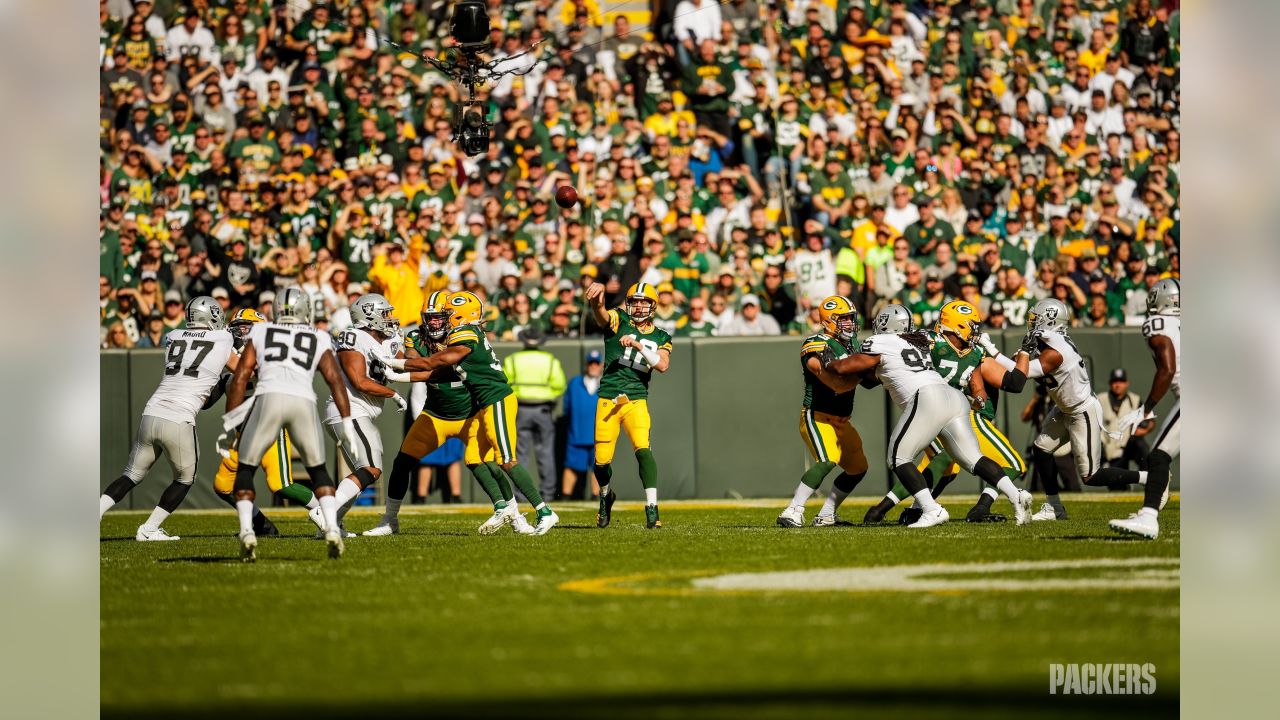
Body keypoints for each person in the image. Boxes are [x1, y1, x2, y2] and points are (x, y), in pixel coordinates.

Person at [824, 304, 1032, 528]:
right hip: (954, 398)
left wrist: (830, 363)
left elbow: (847, 367)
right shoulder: (916, 342)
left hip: (927, 398)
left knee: (898, 457)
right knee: (972, 458)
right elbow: (874, 378)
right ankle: (1016, 495)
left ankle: (931, 509)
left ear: (884, 324)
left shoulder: (881, 342)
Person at [386, 291, 561, 535]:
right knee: (475, 459)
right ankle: (505, 509)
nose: (443, 320)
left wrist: (393, 365)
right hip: (475, 403)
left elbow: (430, 364)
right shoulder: (461, 332)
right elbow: (426, 366)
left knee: (506, 460)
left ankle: (545, 512)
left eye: (447, 314)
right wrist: (398, 372)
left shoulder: (464, 333)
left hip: (494, 399)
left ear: (460, 314)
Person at [224, 288, 357, 562]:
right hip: (303, 402)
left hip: (268, 399)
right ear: (305, 310)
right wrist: (347, 421)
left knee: (246, 468)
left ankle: (247, 531)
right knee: (319, 470)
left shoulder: (260, 333)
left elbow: (240, 377)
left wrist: (233, 421)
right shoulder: (318, 336)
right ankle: (331, 527)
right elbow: (334, 380)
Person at [99, 297, 236, 540]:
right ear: (210, 315)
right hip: (179, 416)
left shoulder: (173, 336)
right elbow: (238, 367)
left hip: (151, 412)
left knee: (131, 475)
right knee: (185, 478)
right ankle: (149, 529)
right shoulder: (223, 339)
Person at [212, 309, 325, 539]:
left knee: (281, 485)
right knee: (223, 486)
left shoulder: (269, 354)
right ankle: (261, 525)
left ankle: (328, 515)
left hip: (270, 427)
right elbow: (208, 399)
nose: (239, 332)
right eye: (238, 327)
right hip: (241, 433)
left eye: (245, 327)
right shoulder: (231, 361)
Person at [1092, 279, 1180, 539]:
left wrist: (1146, 408)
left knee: (1158, 456)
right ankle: (1151, 504)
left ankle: (1149, 516)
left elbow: (1167, 368)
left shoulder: (1157, 324)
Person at [585, 281, 673, 529]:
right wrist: (597, 296)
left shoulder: (661, 336)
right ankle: (605, 495)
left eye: (644, 301)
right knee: (601, 462)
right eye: (634, 301)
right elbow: (600, 313)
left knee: (643, 449)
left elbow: (663, 365)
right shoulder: (619, 320)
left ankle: (652, 508)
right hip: (608, 399)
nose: (638, 306)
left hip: (635, 400)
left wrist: (637, 345)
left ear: (653, 306)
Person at [320, 294, 409, 538]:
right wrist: (393, 394)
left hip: (355, 413)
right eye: (385, 314)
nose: (389, 318)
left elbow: (406, 364)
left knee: (359, 477)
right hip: (349, 410)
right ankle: (325, 513)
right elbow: (359, 381)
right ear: (369, 317)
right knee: (371, 469)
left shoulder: (389, 339)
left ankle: (331, 526)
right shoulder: (353, 337)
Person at [776, 296, 870, 528]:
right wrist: (864, 371)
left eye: (851, 318)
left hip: (842, 420)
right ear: (829, 321)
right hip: (817, 415)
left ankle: (827, 514)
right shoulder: (815, 343)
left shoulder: (853, 344)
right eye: (844, 319)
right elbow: (835, 384)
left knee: (858, 468)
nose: (850, 323)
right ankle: (793, 510)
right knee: (828, 459)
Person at [1018, 298, 1109, 521]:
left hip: (1082, 411)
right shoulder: (1052, 341)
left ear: (1048, 320)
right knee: (1041, 450)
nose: (1032, 323)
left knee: (1090, 475)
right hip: (1065, 408)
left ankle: (1150, 477)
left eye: (1035, 318)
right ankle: (1054, 507)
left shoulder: (1055, 351)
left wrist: (1015, 354)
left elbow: (1023, 373)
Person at [504, 325, 568, 501]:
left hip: (521, 409)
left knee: (520, 455)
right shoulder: (550, 360)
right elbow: (560, 385)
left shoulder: (512, 359)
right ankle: (547, 494)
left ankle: (520, 494)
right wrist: (547, 396)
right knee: (546, 453)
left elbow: (504, 384)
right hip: (543, 410)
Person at [1096, 367, 1154, 487]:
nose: (1118, 385)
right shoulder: (1100, 399)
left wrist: (1145, 429)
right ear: (1110, 383)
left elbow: (1151, 421)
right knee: (1117, 487)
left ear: (1126, 383)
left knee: (1141, 445)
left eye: (1121, 381)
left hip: (1128, 445)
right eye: (1115, 382)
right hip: (1108, 448)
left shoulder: (1135, 399)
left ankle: (1150, 480)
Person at [561, 350, 603, 500]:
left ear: (601, 365)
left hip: (599, 435)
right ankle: (565, 497)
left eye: (596, 363)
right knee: (571, 467)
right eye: (591, 363)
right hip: (576, 435)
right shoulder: (574, 383)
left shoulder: (606, 384)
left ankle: (595, 497)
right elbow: (566, 408)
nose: (593, 366)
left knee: (598, 467)